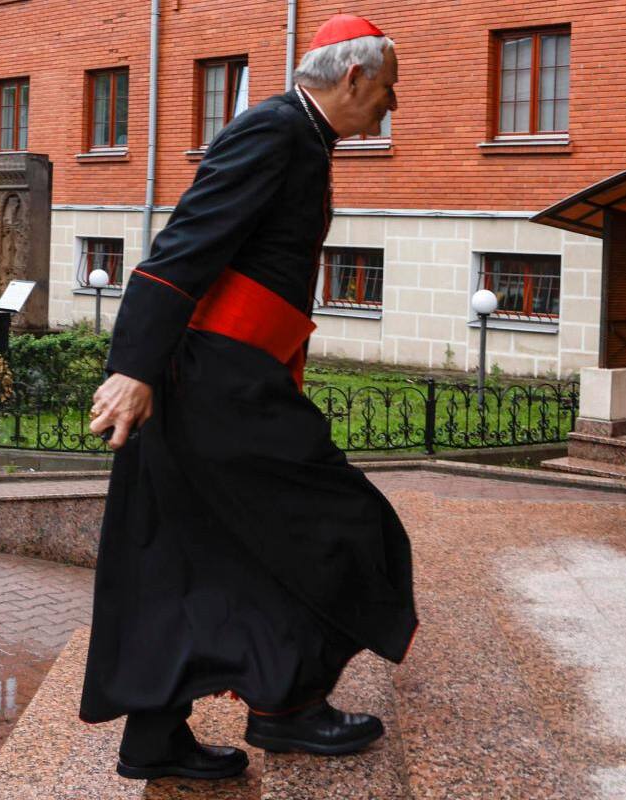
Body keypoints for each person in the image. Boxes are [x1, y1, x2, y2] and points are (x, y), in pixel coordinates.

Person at [78, 14, 418, 783]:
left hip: (225, 374)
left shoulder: (301, 136)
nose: (392, 106)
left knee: (186, 552)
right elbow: (181, 249)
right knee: (348, 528)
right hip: (215, 380)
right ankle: (288, 709)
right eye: (388, 89)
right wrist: (133, 367)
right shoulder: (274, 130)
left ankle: (156, 737)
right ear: (355, 78)